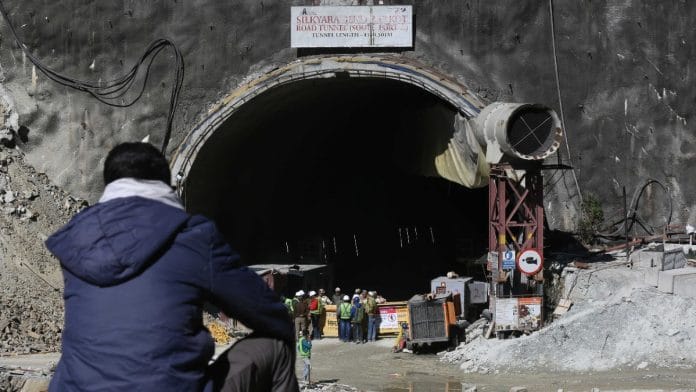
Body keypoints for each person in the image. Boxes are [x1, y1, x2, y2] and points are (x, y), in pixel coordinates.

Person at [44, 142, 298, 392]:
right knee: (275, 343)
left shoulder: (77, 240)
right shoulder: (191, 236)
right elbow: (266, 311)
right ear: (166, 185)